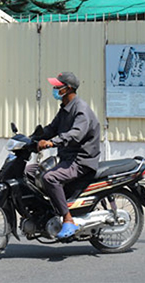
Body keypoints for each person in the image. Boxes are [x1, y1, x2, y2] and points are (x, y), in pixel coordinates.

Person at [30, 71, 101, 239]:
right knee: (29, 171)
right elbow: (51, 128)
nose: (54, 89)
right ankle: (43, 212)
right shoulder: (64, 108)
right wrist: (32, 139)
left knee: (50, 178)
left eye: (57, 86)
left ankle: (68, 219)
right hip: (66, 158)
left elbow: (76, 134)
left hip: (80, 160)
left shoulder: (80, 110)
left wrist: (52, 143)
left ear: (67, 89)